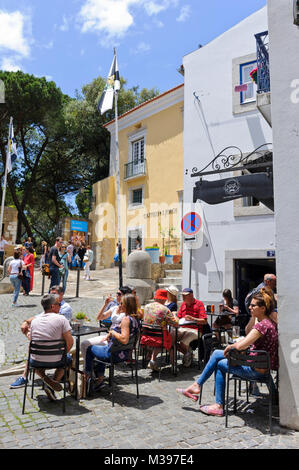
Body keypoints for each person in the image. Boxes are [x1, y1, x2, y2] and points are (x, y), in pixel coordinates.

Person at [176, 288, 278, 417]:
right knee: (219, 355)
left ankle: (217, 404)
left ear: (263, 308)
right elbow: (247, 333)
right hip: (264, 368)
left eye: (253, 305)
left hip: (255, 371)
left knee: (219, 362)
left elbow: (242, 345)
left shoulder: (261, 326)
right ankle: (198, 385)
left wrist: (232, 346)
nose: (249, 307)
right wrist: (254, 318)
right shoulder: (269, 323)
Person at [84, 294, 139, 393]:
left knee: (89, 349)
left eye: (122, 303)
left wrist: (113, 332)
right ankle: (100, 380)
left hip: (114, 354)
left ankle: (87, 378)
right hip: (124, 353)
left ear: (127, 305)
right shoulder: (135, 319)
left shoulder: (126, 319)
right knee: (100, 348)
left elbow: (124, 339)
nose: (120, 305)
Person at [28, 294, 73, 401]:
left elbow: (33, 340)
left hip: (36, 360)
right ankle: (52, 384)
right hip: (56, 359)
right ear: (53, 306)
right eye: (59, 304)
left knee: (32, 362)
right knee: (68, 360)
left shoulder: (34, 321)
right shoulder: (62, 319)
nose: (60, 306)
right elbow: (70, 342)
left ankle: (45, 378)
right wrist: (63, 353)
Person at [80, 287, 132, 370]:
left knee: (87, 345)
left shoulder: (127, 313)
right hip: (109, 337)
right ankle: (89, 368)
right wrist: (105, 304)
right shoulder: (115, 308)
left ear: (125, 297)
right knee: (84, 344)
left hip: (114, 341)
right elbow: (99, 318)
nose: (116, 295)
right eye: (117, 293)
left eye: (119, 294)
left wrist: (111, 334)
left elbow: (124, 333)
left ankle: (88, 371)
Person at [141, 289, 179, 371]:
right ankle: (174, 366)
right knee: (172, 345)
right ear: (164, 299)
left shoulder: (146, 307)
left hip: (146, 337)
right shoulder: (165, 309)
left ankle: (152, 360)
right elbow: (175, 324)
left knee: (160, 341)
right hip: (159, 338)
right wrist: (175, 314)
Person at [174, 288, 207, 367]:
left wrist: (193, 319)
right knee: (171, 340)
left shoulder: (199, 304)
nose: (183, 297)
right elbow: (178, 317)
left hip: (195, 330)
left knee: (183, 342)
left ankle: (188, 356)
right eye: (182, 296)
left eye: (185, 296)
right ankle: (188, 354)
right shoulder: (183, 304)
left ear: (191, 295)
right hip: (182, 328)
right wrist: (175, 316)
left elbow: (204, 321)